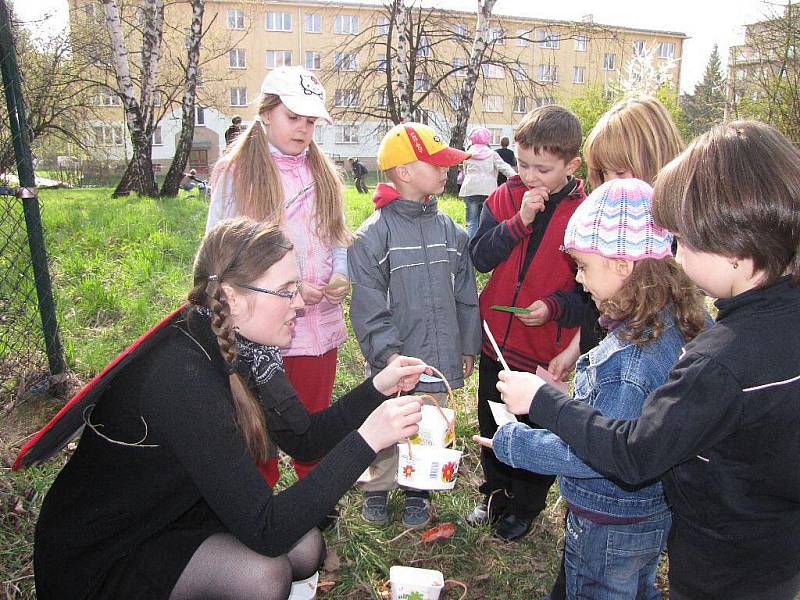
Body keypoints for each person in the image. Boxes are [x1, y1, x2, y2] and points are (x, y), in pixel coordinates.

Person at [33, 217, 430, 600]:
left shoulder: (248, 349)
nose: (299, 304)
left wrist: (378, 387)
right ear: (232, 298)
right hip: (104, 553)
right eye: (286, 290)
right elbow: (267, 530)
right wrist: (367, 440)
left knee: (306, 547)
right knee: (263, 575)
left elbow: (305, 440)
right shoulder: (181, 376)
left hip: (173, 513)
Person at [496, 121, 800, 600]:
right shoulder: (742, 326)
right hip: (758, 554)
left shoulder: (714, 359)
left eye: (685, 241)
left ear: (734, 249)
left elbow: (629, 451)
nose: (675, 253)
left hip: (709, 562)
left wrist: (529, 424)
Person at [476, 178, 708, 599]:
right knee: (636, 588)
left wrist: (512, 441)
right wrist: (566, 402)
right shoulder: (671, 326)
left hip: (608, 517)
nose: (579, 281)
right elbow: (619, 421)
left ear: (621, 265)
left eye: (583, 266)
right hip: (647, 512)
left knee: (599, 590)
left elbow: (598, 453)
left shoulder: (630, 358)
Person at [206, 66, 350, 498]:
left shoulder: (323, 173)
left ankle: (316, 501)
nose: (304, 129)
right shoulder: (237, 174)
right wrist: (288, 287)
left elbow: (337, 236)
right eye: (294, 118)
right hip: (261, 325)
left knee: (312, 420)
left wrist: (341, 273)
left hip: (316, 326)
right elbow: (222, 252)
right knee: (258, 420)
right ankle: (257, 500)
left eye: (311, 122)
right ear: (267, 112)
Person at [348, 122, 482, 529]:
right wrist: (389, 357)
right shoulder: (374, 236)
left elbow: (466, 294)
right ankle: (377, 485)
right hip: (395, 361)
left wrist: (467, 346)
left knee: (428, 426)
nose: (447, 172)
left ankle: (418, 491)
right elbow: (368, 305)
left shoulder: (450, 233)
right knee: (389, 426)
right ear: (404, 171)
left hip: (438, 358)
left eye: (448, 165)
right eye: (437, 164)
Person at [466, 105, 586, 542]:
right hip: (495, 340)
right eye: (522, 164)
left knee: (536, 428)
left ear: (572, 165)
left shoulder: (583, 213)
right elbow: (479, 257)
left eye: (543, 168)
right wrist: (520, 221)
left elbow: (586, 296)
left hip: (542, 350)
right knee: (492, 420)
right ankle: (495, 493)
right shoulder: (504, 197)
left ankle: (526, 504)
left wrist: (552, 308)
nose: (530, 176)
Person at [539, 97, 685, 385]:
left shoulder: (677, 245)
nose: (608, 184)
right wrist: (574, 349)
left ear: (657, 163)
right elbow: (607, 302)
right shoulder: (611, 229)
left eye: (619, 171)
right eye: (602, 173)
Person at [458, 127, 516, 238]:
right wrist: (517, 178)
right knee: (485, 221)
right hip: (488, 191)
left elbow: (465, 171)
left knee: (471, 221)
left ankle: (470, 247)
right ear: (487, 139)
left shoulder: (468, 155)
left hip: (470, 189)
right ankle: (481, 246)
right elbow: (505, 168)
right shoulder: (492, 154)